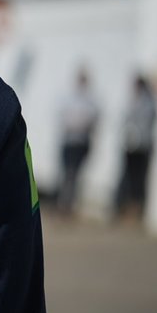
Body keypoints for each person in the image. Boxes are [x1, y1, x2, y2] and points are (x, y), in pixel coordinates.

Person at [113, 73, 156, 222]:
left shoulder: (147, 102)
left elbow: (143, 123)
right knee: (128, 179)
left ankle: (136, 210)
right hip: (130, 146)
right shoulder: (134, 100)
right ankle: (125, 209)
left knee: (138, 180)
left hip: (141, 148)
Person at [57, 67, 100, 216]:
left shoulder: (89, 100)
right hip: (70, 141)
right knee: (68, 173)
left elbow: (91, 119)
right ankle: (65, 204)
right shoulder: (71, 97)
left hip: (80, 142)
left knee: (74, 174)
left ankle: (69, 204)